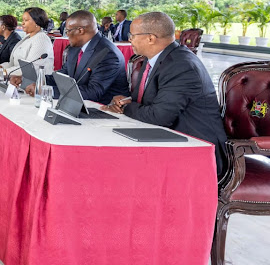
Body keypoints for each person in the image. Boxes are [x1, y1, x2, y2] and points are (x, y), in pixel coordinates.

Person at [104, 12, 228, 175]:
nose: (130, 39)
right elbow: (147, 102)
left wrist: (126, 108)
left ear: (151, 38)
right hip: (165, 137)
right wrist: (126, 101)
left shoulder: (181, 65)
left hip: (196, 150)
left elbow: (159, 116)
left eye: (132, 35)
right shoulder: (152, 59)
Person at [24, 10, 129, 102]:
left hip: (104, 110)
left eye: (68, 31)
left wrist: (48, 91)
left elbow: (93, 92)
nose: (66, 35)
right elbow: (62, 76)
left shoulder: (107, 54)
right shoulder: (75, 47)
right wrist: (36, 80)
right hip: (77, 103)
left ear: (80, 31)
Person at [6, 7, 55, 79]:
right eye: (22, 20)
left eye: (26, 20)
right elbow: (15, 63)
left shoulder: (41, 39)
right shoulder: (28, 37)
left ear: (36, 22)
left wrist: (4, 72)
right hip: (20, 80)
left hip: (35, 85)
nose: (22, 23)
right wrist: (1, 67)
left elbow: (31, 68)